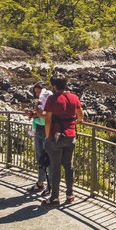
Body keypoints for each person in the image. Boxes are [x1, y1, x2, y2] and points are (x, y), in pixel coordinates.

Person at [41, 75, 83, 206]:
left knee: (55, 168)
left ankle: (54, 197)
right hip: (70, 136)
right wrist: (72, 123)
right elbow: (81, 117)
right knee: (68, 166)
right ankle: (70, 194)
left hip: (55, 136)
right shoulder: (74, 97)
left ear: (54, 86)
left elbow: (47, 119)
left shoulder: (52, 99)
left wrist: (48, 136)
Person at [27, 82, 51, 196]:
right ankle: (41, 182)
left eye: (38, 92)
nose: (37, 95)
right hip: (39, 130)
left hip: (46, 129)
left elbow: (45, 114)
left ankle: (50, 184)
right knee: (40, 156)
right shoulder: (40, 101)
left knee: (48, 158)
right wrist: (34, 114)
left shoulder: (48, 98)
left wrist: (35, 114)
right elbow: (39, 113)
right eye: (35, 93)